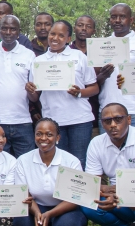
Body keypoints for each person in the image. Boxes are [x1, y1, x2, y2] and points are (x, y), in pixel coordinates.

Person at [26, 20, 99, 167]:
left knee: (79, 161)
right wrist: (30, 91)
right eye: (52, 34)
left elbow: (95, 88)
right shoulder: (39, 61)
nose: (55, 38)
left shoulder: (79, 57)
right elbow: (35, 97)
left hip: (80, 120)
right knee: (57, 164)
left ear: (68, 39)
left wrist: (79, 92)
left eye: (61, 35)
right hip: (53, 121)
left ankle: (77, 191)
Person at [11, 119, 89, 226]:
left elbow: (75, 197)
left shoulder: (71, 161)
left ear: (57, 137)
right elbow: (25, 194)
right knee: (21, 225)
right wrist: (37, 213)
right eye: (39, 134)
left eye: (49, 134)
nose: (43, 138)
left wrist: (50, 214)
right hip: (37, 205)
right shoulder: (23, 160)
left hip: (65, 208)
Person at [82, 103, 135, 226]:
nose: (112, 124)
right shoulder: (96, 143)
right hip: (113, 198)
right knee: (88, 205)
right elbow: (93, 182)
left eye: (118, 119)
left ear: (128, 120)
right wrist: (108, 191)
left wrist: (119, 192)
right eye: (107, 121)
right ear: (102, 123)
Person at [0, 15, 36, 157]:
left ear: (19, 32)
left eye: (12, 29)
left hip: (22, 121)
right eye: (4, 28)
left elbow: (34, 94)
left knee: (25, 165)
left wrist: (31, 91)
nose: (8, 32)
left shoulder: (28, 54)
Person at [96, 4, 135, 130]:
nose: (117, 20)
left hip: (134, 112)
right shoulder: (101, 44)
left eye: (122, 17)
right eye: (114, 17)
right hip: (107, 111)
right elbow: (94, 82)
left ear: (131, 20)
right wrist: (103, 76)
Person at [70, 15, 103, 127]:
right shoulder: (65, 52)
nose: (84, 28)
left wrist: (103, 75)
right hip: (70, 111)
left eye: (88, 26)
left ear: (93, 31)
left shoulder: (100, 53)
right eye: (80, 25)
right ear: (74, 28)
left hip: (95, 109)